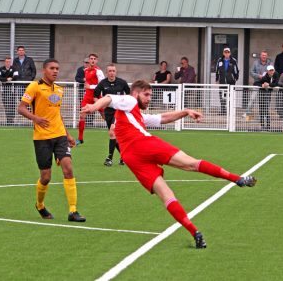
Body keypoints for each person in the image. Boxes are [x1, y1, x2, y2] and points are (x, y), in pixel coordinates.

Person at [80, 80, 257, 249]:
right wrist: (94, 106)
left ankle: (195, 233)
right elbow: (109, 98)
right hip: (142, 144)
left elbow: (162, 118)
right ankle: (237, 179)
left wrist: (185, 111)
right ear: (136, 93)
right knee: (191, 164)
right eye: (147, 94)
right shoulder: (130, 100)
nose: (149, 98)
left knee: (166, 194)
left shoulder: (135, 114)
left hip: (131, 158)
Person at [17, 58, 86, 222]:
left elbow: (57, 115)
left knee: (68, 169)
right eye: (52, 68)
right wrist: (36, 119)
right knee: (46, 177)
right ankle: (40, 205)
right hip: (42, 138)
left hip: (60, 136)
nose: (55, 71)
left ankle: (73, 211)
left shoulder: (59, 90)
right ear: (44, 70)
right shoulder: (35, 86)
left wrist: (68, 135)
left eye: (57, 68)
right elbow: (21, 108)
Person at [93, 64, 130, 166]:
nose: (112, 73)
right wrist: (101, 105)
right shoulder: (103, 83)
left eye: (113, 71)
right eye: (110, 71)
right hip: (108, 112)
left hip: (119, 111)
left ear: (116, 72)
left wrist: (125, 105)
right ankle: (124, 157)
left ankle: (109, 158)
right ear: (107, 72)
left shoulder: (122, 82)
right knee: (115, 136)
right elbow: (95, 96)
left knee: (112, 132)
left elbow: (129, 95)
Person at [76, 53, 105, 145]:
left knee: (105, 116)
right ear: (89, 60)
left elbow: (102, 85)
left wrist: (90, 86)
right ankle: (80, 138)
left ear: (96, 61)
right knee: (82, 115)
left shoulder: (98, 71)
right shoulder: (86, 70)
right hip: (87, 97)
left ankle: (116, 133)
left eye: (94, 59)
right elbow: (86, 83)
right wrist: (87, 88)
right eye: (91, 58)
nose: (92, 60)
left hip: (97, 97)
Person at [215, 47, 239, 115]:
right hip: (222, 81)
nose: (226, 53)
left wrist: (235, 78)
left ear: (230, 53)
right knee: (222, 96)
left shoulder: (233, 60)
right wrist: (217, 79)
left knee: (230, 96)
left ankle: (230, 111)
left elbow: (236, 70)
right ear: (223, 53)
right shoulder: (220, 60)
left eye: (228, 52)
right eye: (225, 52)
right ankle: (223, 111)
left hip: (231, 81)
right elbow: (217, 70)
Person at [0, 56, 19, 125]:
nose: (8, 63)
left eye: (9, 62)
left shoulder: (14, 68)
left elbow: (16, 77)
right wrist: (6, 79)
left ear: (11, 62)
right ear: (4, 62)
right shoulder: (1, 69)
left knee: (12, 105)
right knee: (6, 105)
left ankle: (11, 119)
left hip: (12, 91)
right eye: (7, 62)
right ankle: (8, 119)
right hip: (4, 91)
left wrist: (11, 78)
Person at [13, 46, 37, 111]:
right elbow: (14, 70)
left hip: (28, 82)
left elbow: (34, 70)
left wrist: (31, 79)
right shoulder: (15, 60)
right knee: (21, 97)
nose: (21, 51)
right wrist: (15, 79)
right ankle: (26, 110)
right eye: (19, 50)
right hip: (19, 82)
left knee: (30, 96)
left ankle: (31, 110)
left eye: (22, 50)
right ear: (17, 52)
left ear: (24, 51)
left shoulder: (29, 59)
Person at [257, 65, 279, 130]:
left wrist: (269, 84)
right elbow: (256, 83)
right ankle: (262, 125)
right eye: (270, 70)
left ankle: (268, 126)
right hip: (262, 93)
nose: (272, 72)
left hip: (268, 93)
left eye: (272, 70)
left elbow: (276, 83)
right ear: (267, 71)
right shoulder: (265, 77)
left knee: (266, 109)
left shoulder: (276, 74)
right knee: (261, 109)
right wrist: (262, 85)